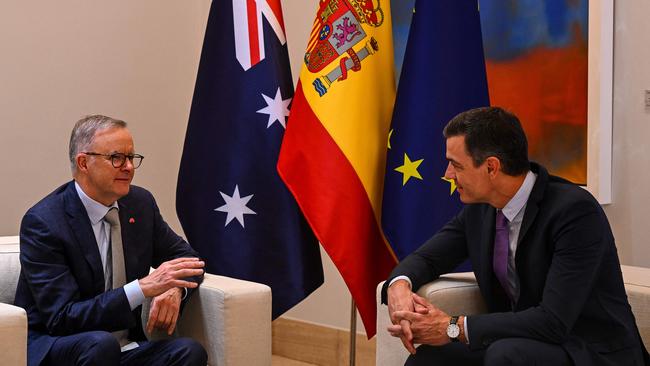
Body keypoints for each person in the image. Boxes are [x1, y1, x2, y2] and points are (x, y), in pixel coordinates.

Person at [382, 107, 649, 365]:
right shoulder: (480, 211)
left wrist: (453, 327)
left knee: (506, 354)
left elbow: (553, 321)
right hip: (523, 344)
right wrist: (398, 287)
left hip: (590, 350)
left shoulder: (574, 212)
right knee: (432, 357)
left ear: (491, 167)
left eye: (456, 165)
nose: (447, 175)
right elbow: (427, 258)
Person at [15, 115, 208, 366]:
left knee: (189, 351)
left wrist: (175, 288)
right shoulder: (44, 222)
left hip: (122, 348)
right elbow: (62, 318)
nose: (128, 167)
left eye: (131, 158)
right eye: (117, 158)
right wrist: (141, 288)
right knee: (100, 345)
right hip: (60, 346)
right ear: (83, 163)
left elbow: (191, 259)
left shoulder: (140, 205)